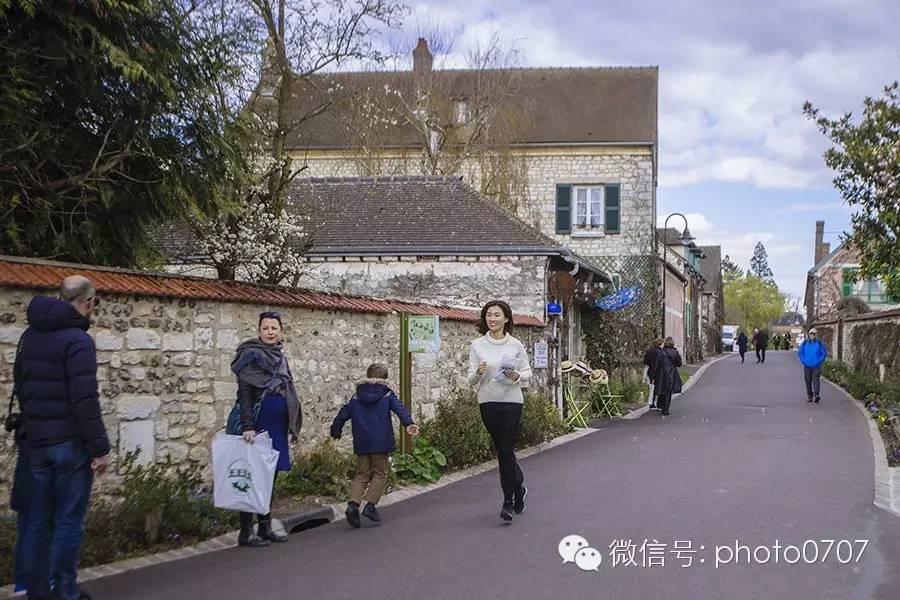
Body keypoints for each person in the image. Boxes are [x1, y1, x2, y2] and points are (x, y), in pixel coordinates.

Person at [18, 276, 110, 600]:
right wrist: (100, 448)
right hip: (69, 445)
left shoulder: (30, 335)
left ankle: (37, 591)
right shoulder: (78, 340)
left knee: (38, 521)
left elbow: (22, 387)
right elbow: (84, 399)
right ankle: (66, 591)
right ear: (87, 302)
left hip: (36, 444)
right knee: (69, 520)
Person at [231, 311, 303, 547]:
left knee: (269, 478)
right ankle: (245, 532)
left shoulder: (280, 357)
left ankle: (265, 527)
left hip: (277, 427)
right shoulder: (249, 356)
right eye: (266, 328)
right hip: (258, 426)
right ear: (259, 330)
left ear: (280, 331)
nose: (270, 332)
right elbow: (244, 395)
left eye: (274, 328)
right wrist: (248, 426)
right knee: (251, 477)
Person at [330, 364, 419, 528]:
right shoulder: (386, 394)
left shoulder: (356, 396)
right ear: (384, 379)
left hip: (362, 441)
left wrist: (336, 429)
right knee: (380, 473)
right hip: (381, 441)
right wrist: (409, 424)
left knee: (361, 474)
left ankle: (353, 505)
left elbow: (344, 413)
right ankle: (370, 506)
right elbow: (400, 409)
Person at [467, 300, 532, 523]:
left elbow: (527, 372)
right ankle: (519, 484)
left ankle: (507, 501)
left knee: (506, 449)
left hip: (512, 401)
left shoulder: (515, 344)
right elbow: (471, 379)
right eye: (489, 315)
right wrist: (478, 372)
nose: (492, 319)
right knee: (502, 451)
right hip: (488, 400)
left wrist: (518, 377)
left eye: (497, 315)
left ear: (506, 319)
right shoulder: (477, 345)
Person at [652, 337, 683, 416]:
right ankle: (665, 409)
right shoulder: (675, 352)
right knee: (668, 392)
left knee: (662, 390)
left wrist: (653, 376)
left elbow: (657, 364)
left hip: (662, 373)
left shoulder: (661, 352)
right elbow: (679, 363)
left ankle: (660, 406)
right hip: (671, 373)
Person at [798, 328, 828, 403]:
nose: (812, 335)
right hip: (807, 366)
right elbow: (800, 352)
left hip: (816, 366)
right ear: (809, 334)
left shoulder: (820, 344)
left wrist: (819, 361)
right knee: (808, 381)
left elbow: (823, 353)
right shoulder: (805, 343)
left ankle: (816, 394)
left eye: (814, 334)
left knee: (815, 380)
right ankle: (809, 396)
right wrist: (804, 361)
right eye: (811, 333)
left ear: (816, 335)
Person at [643, 338, 663, 410]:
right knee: (656, 388)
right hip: (657, 372)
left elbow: (645, 361)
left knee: (651, 388)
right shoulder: (660, 352)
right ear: (660, 344)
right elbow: (658, 363)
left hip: (650, 370)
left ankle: (651, 403)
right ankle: (653, 403)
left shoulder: (649, 351)